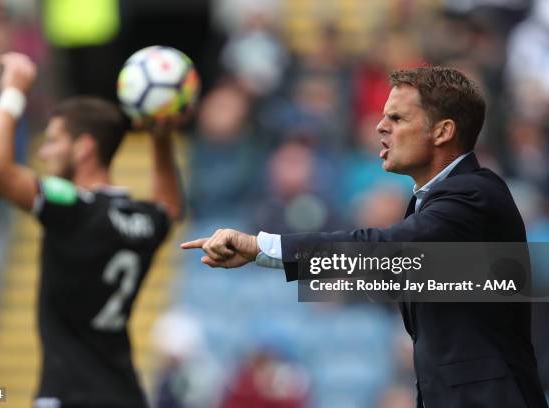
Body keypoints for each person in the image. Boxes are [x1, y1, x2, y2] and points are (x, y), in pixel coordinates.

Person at [182, 67, 548, 408]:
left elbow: (386, 251)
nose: (380, 127)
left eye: (397, 118)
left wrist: (262, 248)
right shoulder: (443, 204)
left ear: (442, 131)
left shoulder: (474, 195)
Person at [0, 53, 183, 408]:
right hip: (125, 395)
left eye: (54, 140)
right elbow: (170, 208)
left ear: (84, 148)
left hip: (70, 394)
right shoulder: (143, 217)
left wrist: (12, 92)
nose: (45, 152)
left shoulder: (72, 207)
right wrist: (161, 137)